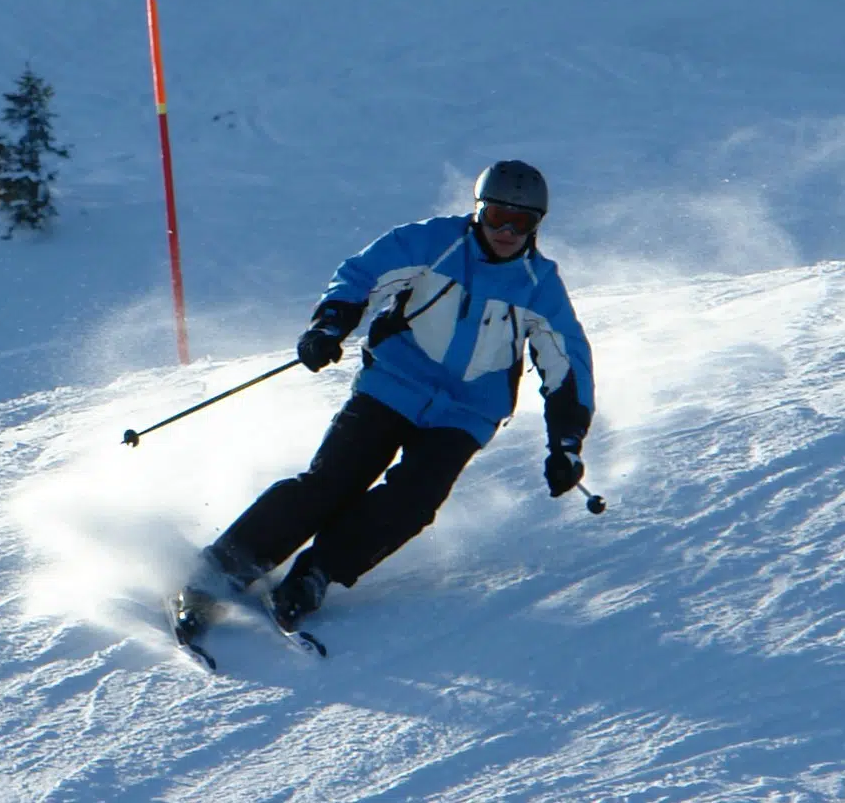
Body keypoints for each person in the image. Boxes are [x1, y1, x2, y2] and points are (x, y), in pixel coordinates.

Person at [171, 159, 595, 638]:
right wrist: (329, 326)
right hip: (395, 380)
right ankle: (219, 572)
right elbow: (362, 275)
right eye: (498, 217)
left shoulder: (540, 286)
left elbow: (568, 364)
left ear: (537, 225)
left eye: (521, 222)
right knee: (333, 481)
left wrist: (566, 443)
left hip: (468, 410)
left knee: (414, 501)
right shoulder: (435, 243)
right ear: (479, 210)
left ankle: (316, 573)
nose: (507, 233)